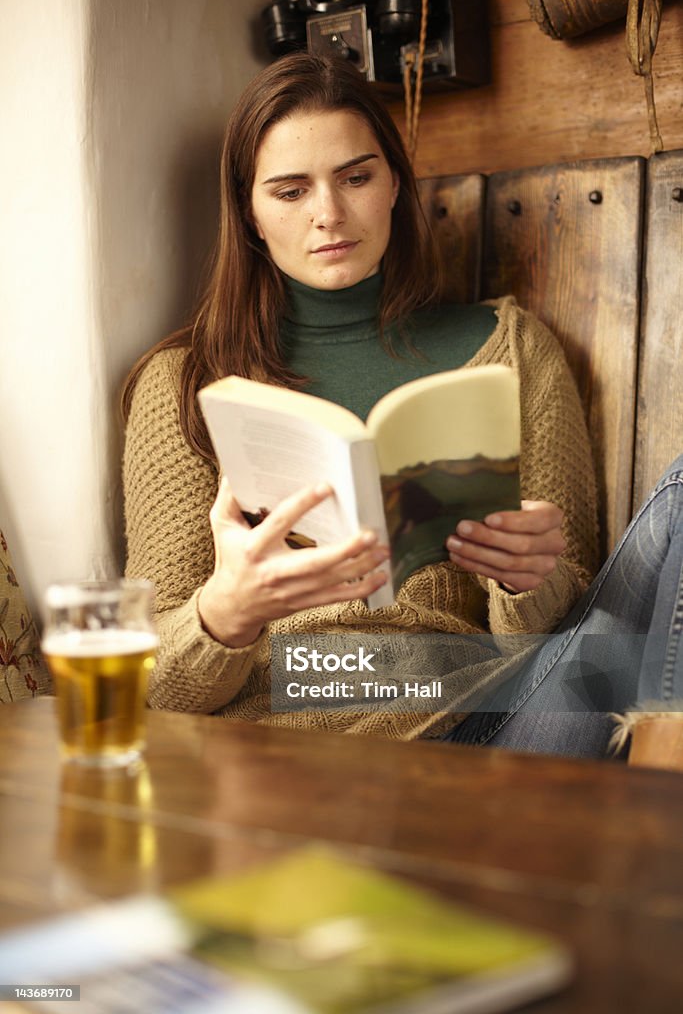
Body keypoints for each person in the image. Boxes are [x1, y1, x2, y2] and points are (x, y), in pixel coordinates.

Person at [122, 52, 682, 755]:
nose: (329, 214)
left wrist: (524, 581)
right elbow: (146, 682)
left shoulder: (508, 348)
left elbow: (567, 621)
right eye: (290, 191)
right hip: (278, 745)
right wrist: (222, 614)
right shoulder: (183, 383)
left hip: (490, 724)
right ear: (249, 213)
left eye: (355, 177)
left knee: (610, 628)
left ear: (392, 183)